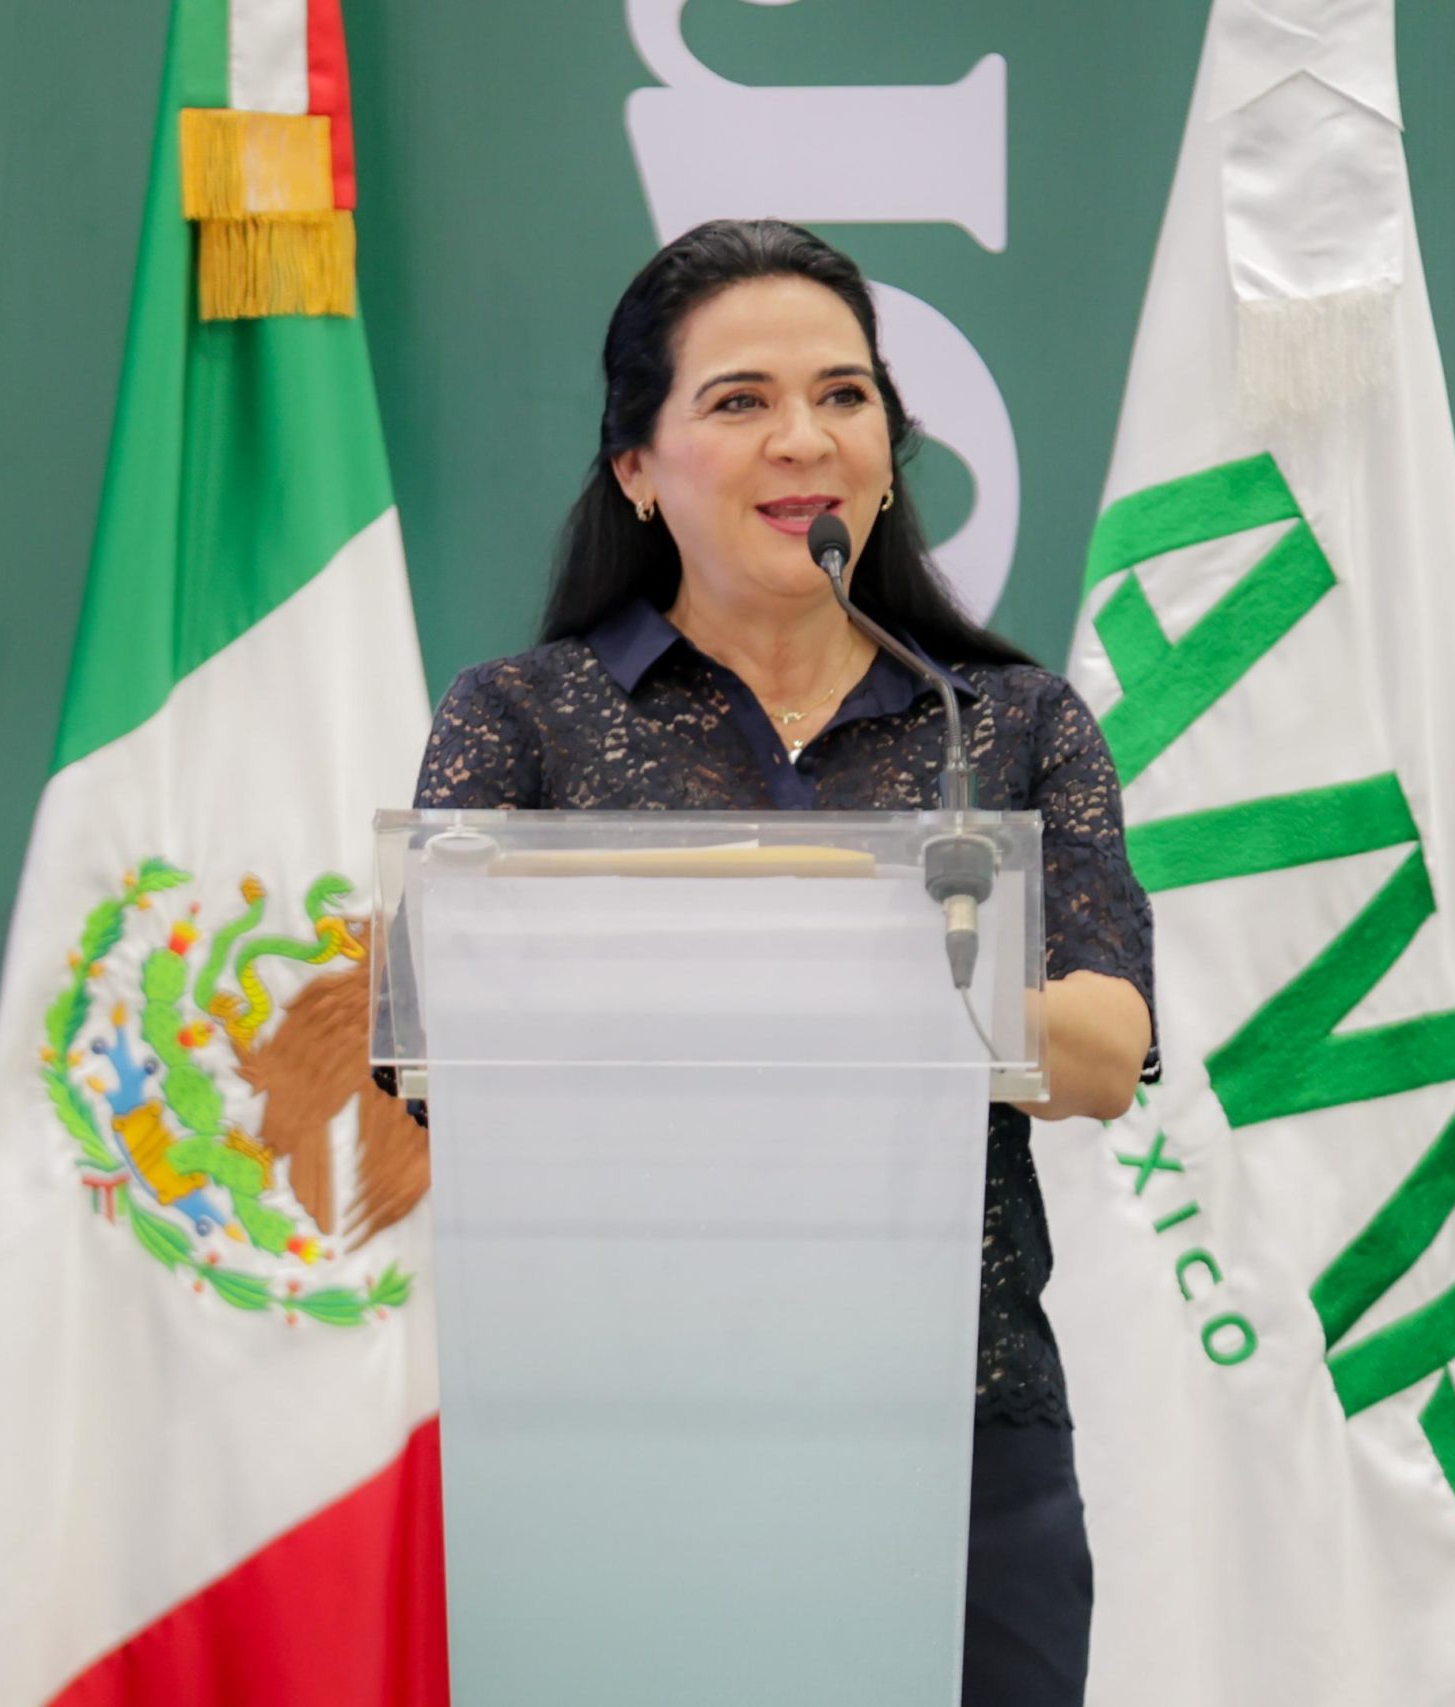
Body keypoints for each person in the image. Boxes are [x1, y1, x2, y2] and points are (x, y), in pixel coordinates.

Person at [409, 217, 1157, 1706]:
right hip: (615, 1426)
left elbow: (1100, 1051)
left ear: (888, 450)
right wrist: (873, 972)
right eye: (740, 400)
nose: (803, 438)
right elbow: (440, 1049)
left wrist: (809, 969)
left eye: (844, 395)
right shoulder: (521, 723)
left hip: (961, 1427)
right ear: (638, 465)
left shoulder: (1004, 723)